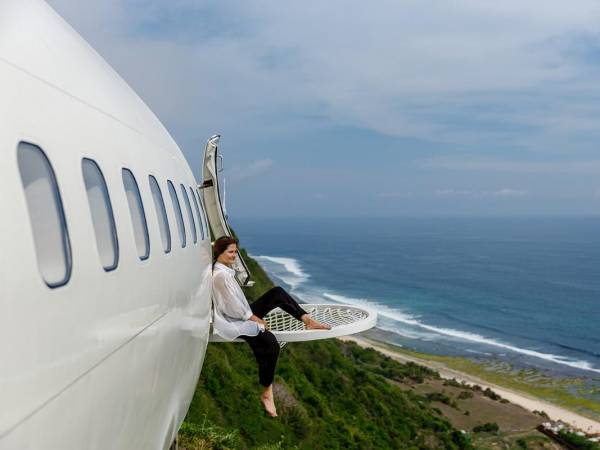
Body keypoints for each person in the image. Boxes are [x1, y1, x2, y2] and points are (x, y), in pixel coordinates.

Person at [211, 235, 331, 417]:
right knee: (271, 345)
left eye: (235, 252)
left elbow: (236, 303)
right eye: (230, 252)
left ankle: (307, 320)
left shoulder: (225, 271)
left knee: (277, 293)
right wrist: (252, 318)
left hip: (240, 313)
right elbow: (230, 306)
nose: (234, 255)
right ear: (220, 252)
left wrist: (250, 314)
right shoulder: (220, 276)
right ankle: (267, 391)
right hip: (234, 320)